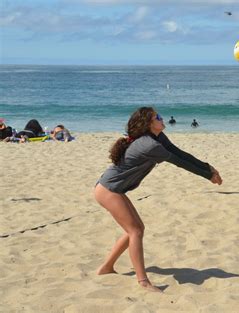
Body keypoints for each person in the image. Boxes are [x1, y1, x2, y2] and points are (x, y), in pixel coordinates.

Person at [94, 107, 222, 292]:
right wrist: (207, 176)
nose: (162, 119)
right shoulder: (149, 145)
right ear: (148, 124)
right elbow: (179, 162)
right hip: (108, 190)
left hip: (113, 189)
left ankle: (106, 267)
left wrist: (207, 167)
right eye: (158, 117)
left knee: (135, 229)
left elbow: (179, 153)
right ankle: (143, 281)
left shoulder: (158, 138)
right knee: (135, 231)